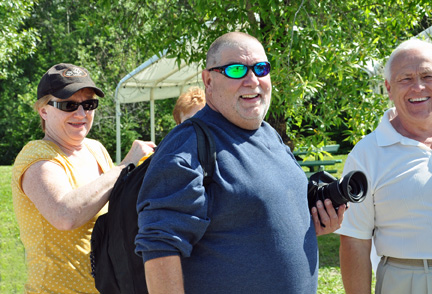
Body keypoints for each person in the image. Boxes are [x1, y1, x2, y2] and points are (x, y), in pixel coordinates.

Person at [135, 32, 346, 294]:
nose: (252, 80)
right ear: (208, 81)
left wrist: (314, 222)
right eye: (236, 70)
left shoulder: (269, 134)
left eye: (261, 68)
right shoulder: (187, 144)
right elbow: (160, 247)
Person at [11, 63, 155, 293]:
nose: (81, 114)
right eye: (69, 105)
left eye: (89, 104)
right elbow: (64, 215)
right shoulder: (36, 157)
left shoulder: (95, 149)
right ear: (44, 111)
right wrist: (125, 166)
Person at [337, 38, 432, 294]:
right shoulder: (367, 154)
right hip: (408, 282)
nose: (419, 86)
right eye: (406, 79)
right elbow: (354, 241)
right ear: (389, 88)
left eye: (427, 75)